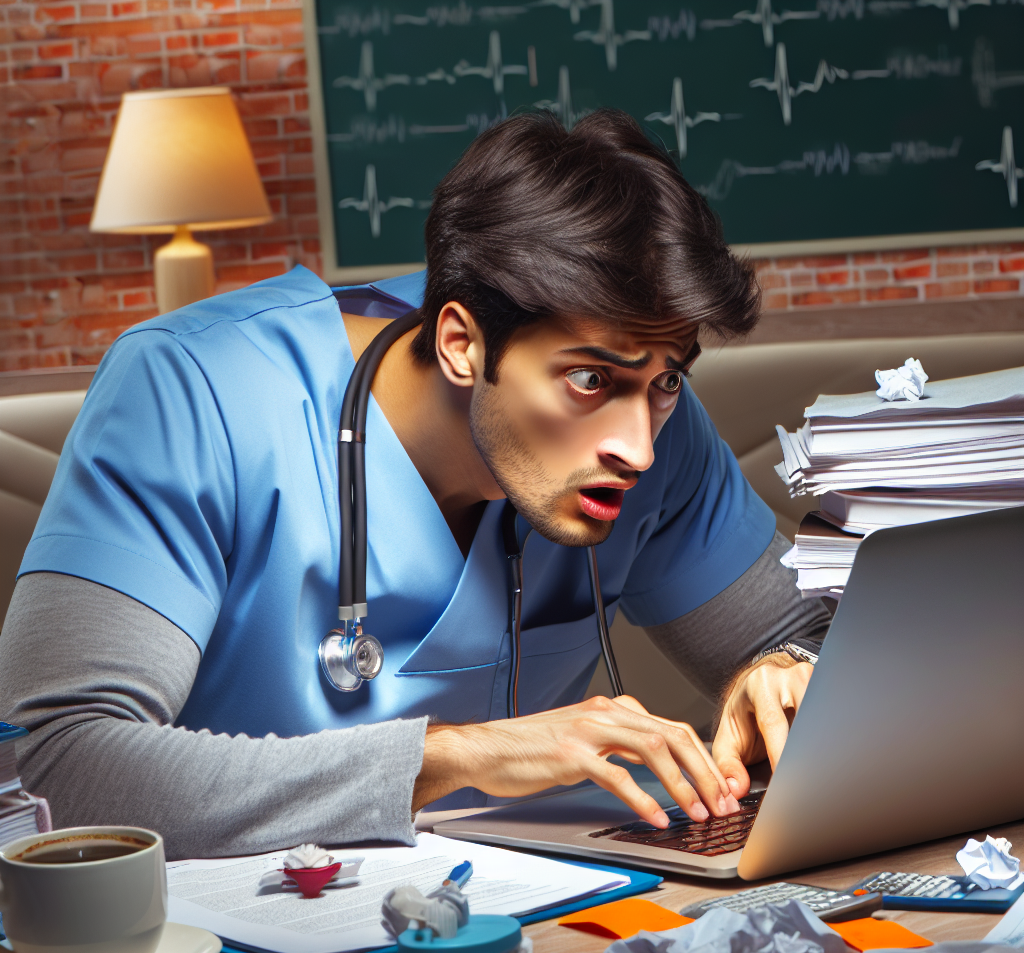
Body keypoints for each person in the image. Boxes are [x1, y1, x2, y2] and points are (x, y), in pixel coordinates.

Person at [0, 110, 829, 860]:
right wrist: (457, 755)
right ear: (463, 344)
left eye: (667, 378)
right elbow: (56, 766)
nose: (640, 449)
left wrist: (782, 670)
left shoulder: (647, 417)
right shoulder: (193, 391)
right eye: (587, 380)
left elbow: (818, 645)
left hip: (546, 926)